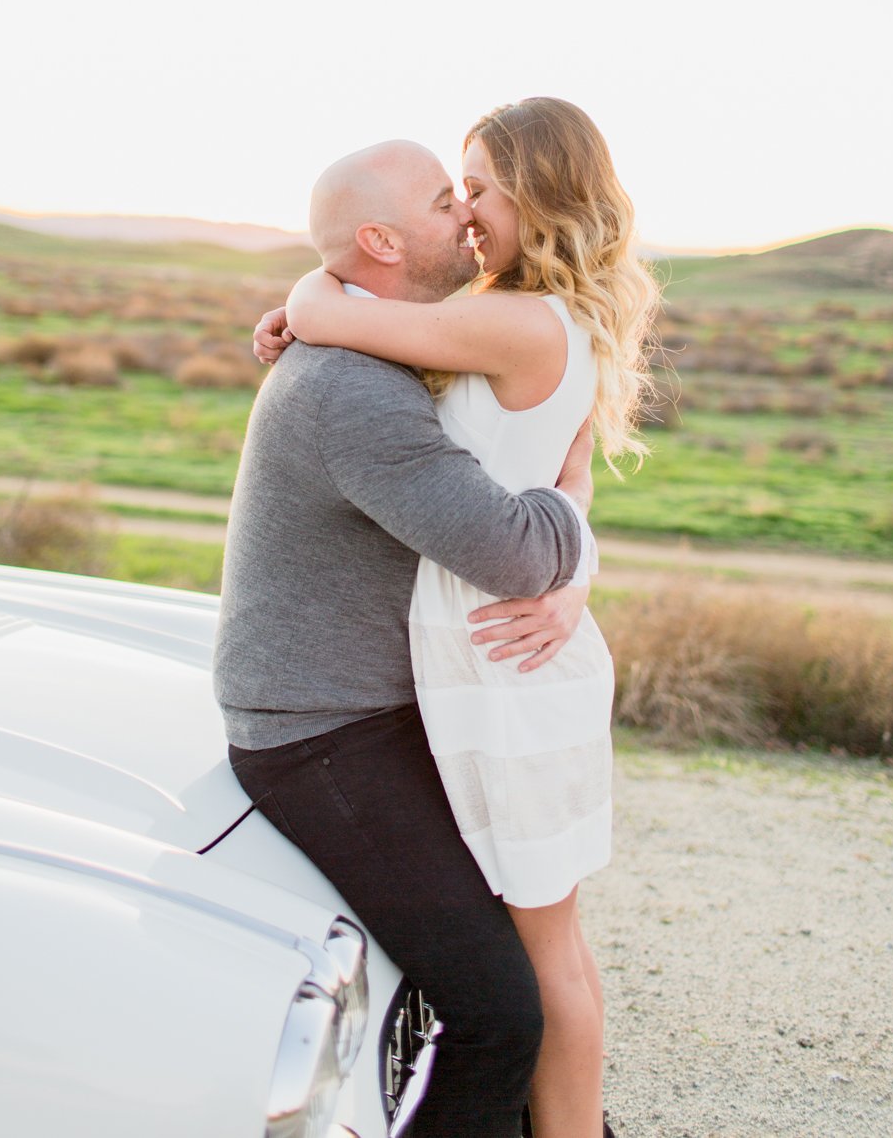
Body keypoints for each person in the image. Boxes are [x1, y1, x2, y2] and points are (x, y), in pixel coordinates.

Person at [273, 98, 659, 1138]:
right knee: (552, 945)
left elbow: (330, 311)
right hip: (516, 643)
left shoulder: (510, 320)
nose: (469, 208)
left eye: (477, 186)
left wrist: (309, 287)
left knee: (545, 961)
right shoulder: (545, 318)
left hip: (502, 660)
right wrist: (571, 577)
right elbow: (570, 481)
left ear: (535, 194)